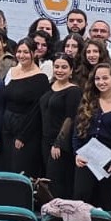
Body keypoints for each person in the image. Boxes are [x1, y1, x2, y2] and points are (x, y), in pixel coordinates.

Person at [72, 63, 111, 211]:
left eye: (105, 78)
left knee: (105, 200)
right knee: (82, 196)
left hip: (109, 161)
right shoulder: (89, 101)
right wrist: (77, 153)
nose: (101, 82)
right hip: (86, 158)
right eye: (97, 79)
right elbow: (77, 130)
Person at [3, 39, 49, 178]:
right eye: (19, 52)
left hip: (25, 132)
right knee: (6, 169)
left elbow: (37, 111)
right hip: (7, 128)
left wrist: (23, 136)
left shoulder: (40, 78)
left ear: (34, 53)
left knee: (20, 170)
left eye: (25, 52)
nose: (21, 55)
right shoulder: (12, 72)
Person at [41, 55, 82, 199]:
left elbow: (70, 119)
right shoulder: (50, 86)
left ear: (71, 70)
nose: (59, 70)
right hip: (45, 140)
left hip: (60, 144)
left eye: (64, 67)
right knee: (47, 180)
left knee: (57, 181)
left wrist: (58, 143)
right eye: (57, 67)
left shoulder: (74, 91)